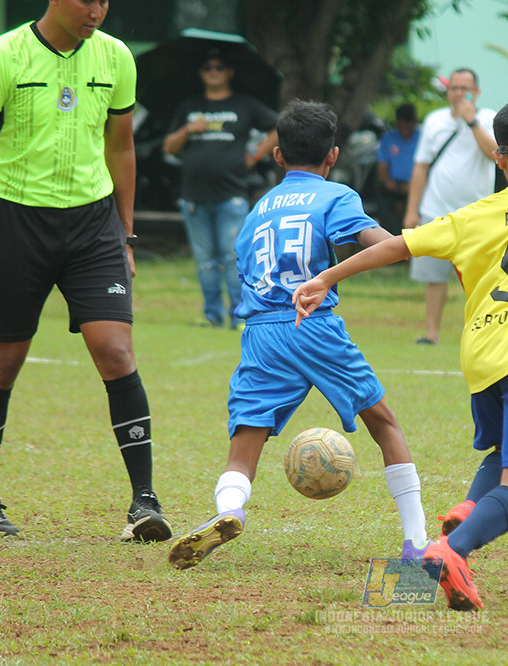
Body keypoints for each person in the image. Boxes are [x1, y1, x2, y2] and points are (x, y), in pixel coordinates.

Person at [293, 99, 508, 611]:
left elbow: (396, 247)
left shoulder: (471, 216)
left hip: (482, 358)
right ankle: (450, 551)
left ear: (498, 159)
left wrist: (325, 277)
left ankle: (470, 508)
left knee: (502, 455)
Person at [0, 0, 171, 542]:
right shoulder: (3, 55)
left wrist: (126, 233)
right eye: (87, 0)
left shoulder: (116, 57)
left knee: (116, 351)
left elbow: (121, 146)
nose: (98, 10)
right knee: (3, 364)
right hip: (14, 221)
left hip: (93, 225)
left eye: (105, 1)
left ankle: (143, 502)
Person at [167, 100, 431, 570]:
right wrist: (412, 242)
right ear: (332, 155)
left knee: (245, 439)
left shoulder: (256, 211)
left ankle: (228, 512)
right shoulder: (336, 196)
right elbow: (390, 248)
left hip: (261, 331)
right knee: (384, 423)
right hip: (312, 323)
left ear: (277, 156)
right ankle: (416, 543)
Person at [163, 49, 279, 330]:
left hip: (232, 196)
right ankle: (211, 315)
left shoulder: (245, 105)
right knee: (205, 260)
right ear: (201, 74)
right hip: (193, 197)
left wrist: (255, 154)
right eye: (207, 67)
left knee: (234, 256)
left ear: (230, 72)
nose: (213, 71)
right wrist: (189, 130)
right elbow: (169, 147)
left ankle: (239, 316)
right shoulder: (189, 107)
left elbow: (279, 127)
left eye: (219, 66)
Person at [403, 68, 497, 345]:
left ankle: (482, 332)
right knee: (434, 278)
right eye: (453, 88)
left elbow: (495, 154)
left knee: (480, 278)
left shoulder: (489, 119)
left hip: (477, 213)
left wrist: (472, 122)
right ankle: (431, 334)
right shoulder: (434, 120)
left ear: (476, 92)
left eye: (464, 88)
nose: (458, 94)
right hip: (436, 210)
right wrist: (412, 210)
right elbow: (421, 166)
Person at [375, 103, 420, 236]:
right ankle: (389, 237)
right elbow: (382, 165)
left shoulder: (422, 137)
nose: (405, 128)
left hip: (414, 184)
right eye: (402, 125)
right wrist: (387, 181)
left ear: (414, 122)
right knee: (383, 204)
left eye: (408, 124)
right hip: (393, 184)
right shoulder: (389, 138)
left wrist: (413, 184)